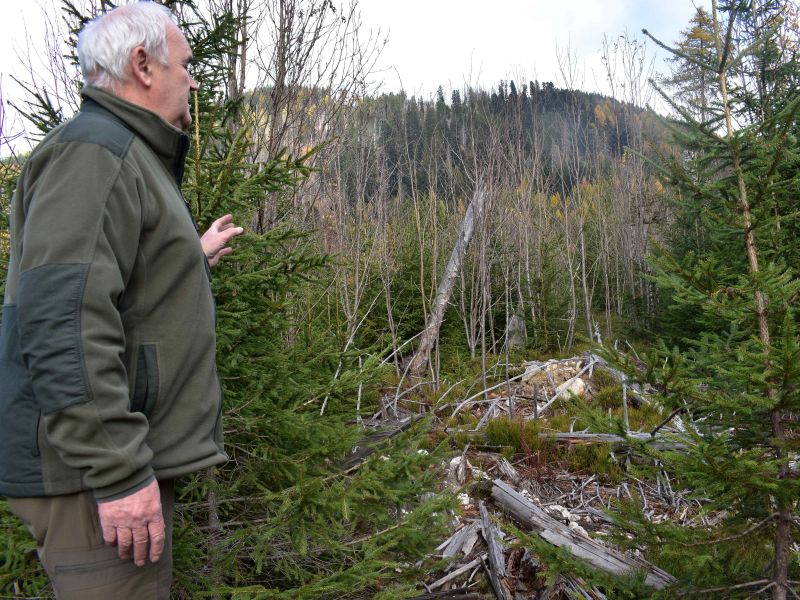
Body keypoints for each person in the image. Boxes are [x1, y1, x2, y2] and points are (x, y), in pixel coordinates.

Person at [0, 3, 242, 598]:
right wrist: (117, 470)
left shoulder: (121, 153)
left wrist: (187, 259)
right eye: (185, 65)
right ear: (143, 65)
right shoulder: (95, 155)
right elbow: (62, 321)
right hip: (90, 474)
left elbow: (109, 280)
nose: (193, 80)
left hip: (100, 466)